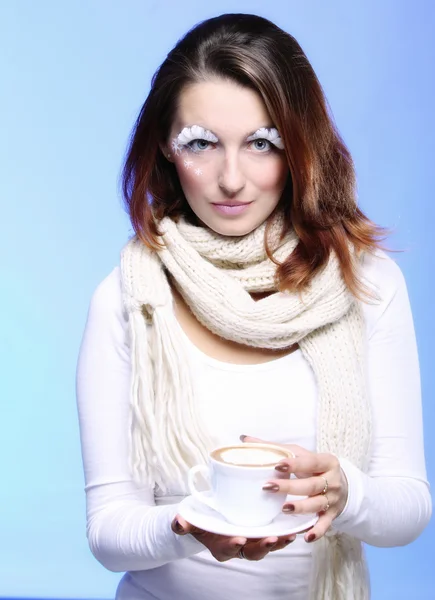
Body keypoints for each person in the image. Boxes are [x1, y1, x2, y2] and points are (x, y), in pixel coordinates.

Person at [75, 13, 432, 600]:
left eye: (262, 143)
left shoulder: (366, 282)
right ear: (166, 145)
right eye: (201, 143)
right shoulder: (127, 297)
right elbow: (109, 529)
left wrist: (348, 495)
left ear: (298, 147)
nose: (231, 179)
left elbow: (409, 505)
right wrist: (186, 527)